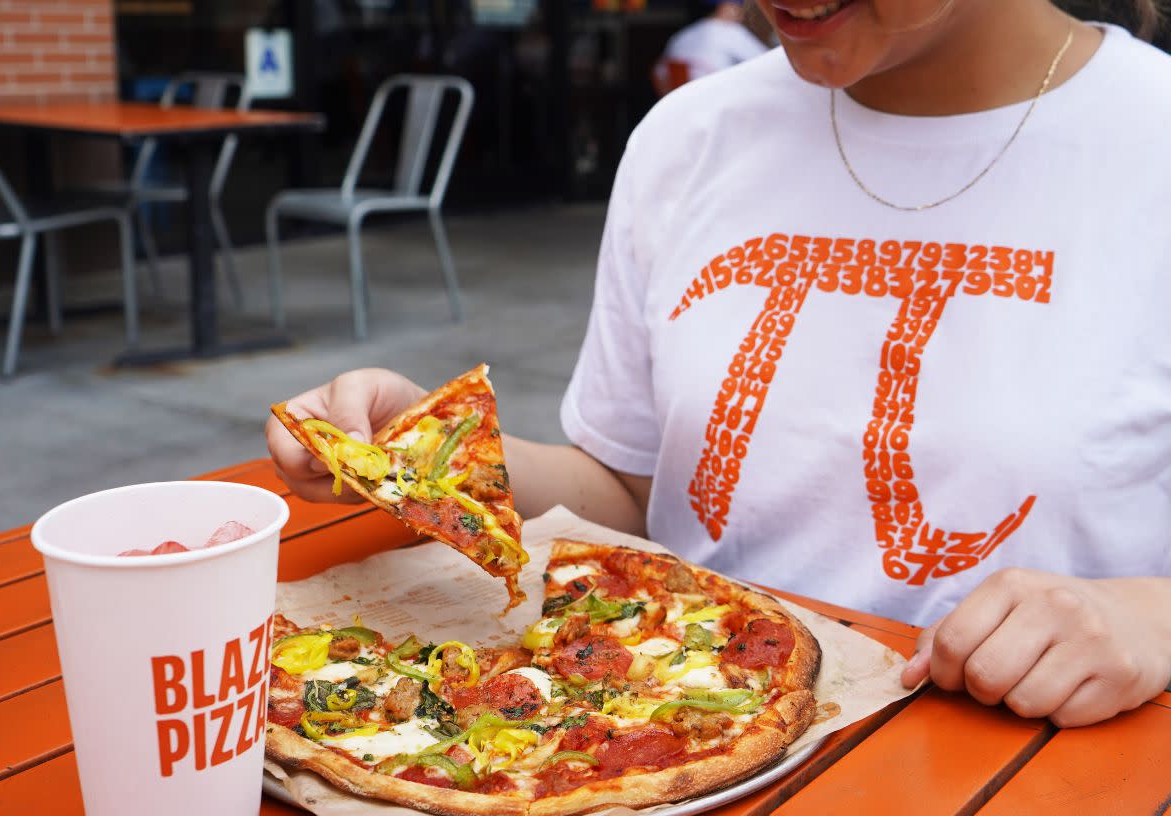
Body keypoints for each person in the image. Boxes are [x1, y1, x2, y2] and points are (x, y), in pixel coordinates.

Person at [268, 0, 1171, 729]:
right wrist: (438, 455)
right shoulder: (689, 136)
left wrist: (1154, 618)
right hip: (676, 747)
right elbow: (632, 492)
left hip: (1030, 788)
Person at [652, 1, 771, 94]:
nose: (741, 15)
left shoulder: (684, 34)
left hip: (683, 101)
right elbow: (767, 59)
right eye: (738, 8)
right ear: (725, 7)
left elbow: (658, 72)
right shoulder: (728, 30)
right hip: (716, 97)